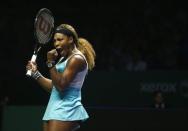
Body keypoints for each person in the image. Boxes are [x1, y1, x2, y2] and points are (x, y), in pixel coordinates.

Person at [26, 24, 96, 131]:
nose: (56, 44)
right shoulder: (62, 59)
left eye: (60, 39)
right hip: (53, 108)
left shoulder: (76, 59)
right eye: (54, 41)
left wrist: (50, 63)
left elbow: (61, 86)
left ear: (71, 39)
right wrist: (36, 74)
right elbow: (54, 87)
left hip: (67, 108)